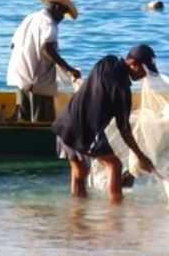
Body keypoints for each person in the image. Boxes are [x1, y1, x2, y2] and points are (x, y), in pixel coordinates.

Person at [52, 44, 157, 203]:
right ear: (133, 64)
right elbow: (124, 130)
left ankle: (76, 215)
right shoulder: (123, 90)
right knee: (114, 165)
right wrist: (141, 156)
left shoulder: (107, 62)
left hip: (65, 122)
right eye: (144, 70)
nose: (144, 76)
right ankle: (115, 215)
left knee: (79, 172)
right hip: (84, 131)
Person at [7, 0, 81, 122]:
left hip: (19, 77)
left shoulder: (30, 18)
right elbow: (48, 49)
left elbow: (13, 45)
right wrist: (69, 69)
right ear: (57, 7)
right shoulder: (49, 24)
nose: (63, 17)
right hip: (37, 81)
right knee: (42, 121)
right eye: (64, 12)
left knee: (24, 120)